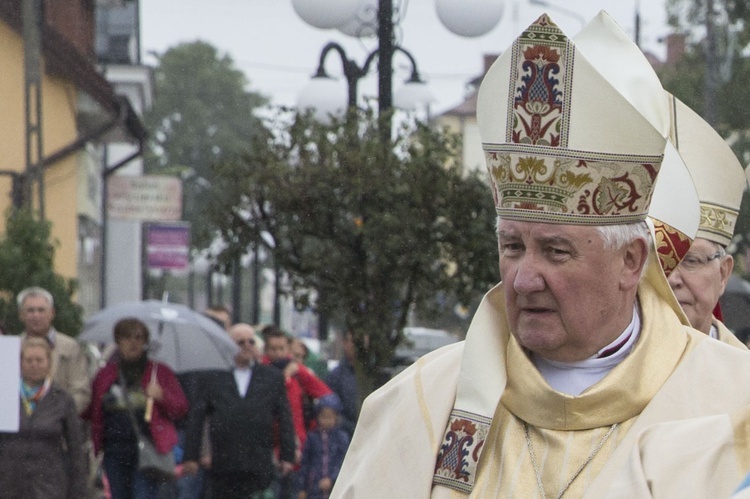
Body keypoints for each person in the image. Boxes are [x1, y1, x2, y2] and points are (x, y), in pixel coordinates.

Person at [331, 12, 750, 498]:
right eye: (513, 247)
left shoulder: (733, 402)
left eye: (556, 251)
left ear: (631, 261)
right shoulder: (421, 403)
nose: (525, 279)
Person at [664, 94, 748, 347]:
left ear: (723, 273)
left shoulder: (742, 376)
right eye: (658, 262)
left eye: (691, 260)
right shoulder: (603, 378)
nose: (670, 279)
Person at [182, 323, 296, 499]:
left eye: (251, 341)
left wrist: (287, 455)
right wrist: (191, 455)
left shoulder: (271, 378)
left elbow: (284, 417)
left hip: (259, 461)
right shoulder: (213, 377)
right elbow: (197, 417)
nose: (247, 346)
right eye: (240, 342)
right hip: (224, 463)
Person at [87, 318, 188, 499]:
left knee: (142, 494)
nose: (133, 342)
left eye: (138, 337)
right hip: (114, 449)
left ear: (145, 342)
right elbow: (92, 409)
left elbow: (180, 409)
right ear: (118, 341)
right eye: (126, 337)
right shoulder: (105, 374)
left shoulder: (160, 372)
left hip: (147, 448)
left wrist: (161, 396)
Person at [0, 337, 87, 498]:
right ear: (20, 363)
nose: (34, 365)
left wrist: (77, 491)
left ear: (49, 362)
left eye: (39, 360)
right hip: (9, 484)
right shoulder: (5, 396)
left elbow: (75, 449)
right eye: (29, 360)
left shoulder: (62, 399)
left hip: (49, 484)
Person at [18, 286, 91, 414]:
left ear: (52, 313)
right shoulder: (13, 347)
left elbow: (81, 391)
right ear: (21, 315)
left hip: (59, 425)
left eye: (41, 310)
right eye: (30, 310)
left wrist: (58, 415)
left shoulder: (70, 347)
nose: (36, 315)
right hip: (21, 424)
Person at [296, 394, 350, 499]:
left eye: (330, 417)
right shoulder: (312, 438)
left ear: (336, 417)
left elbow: (343, 461)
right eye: (323, 416)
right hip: (314, 489)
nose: (326, 421)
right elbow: (305, 463)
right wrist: (302, 488)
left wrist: (332, 479)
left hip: (336, 488)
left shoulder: (341, 438)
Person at [325, 332, 359, 438]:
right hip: (345, 438)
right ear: (344, 343)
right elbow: (332, 410)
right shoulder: (336, 376)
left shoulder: (372, 375)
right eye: (353, 341)